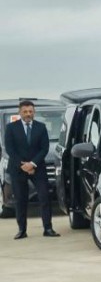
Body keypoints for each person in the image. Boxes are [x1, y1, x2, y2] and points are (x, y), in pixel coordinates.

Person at [3, 100, 59, 239]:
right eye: (25, 112)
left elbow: (44, 148)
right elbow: (10, 149)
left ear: (34, 112)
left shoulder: (41, 127)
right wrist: (23, 165)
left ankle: (48, 228)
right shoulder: (11, 128)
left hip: (37, 168)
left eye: (30, 112)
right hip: (18, 168)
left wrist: (32, 164)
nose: (28, 114)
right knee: (20, 200)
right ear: (20, 112)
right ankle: (22, 230)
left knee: (44, 197)